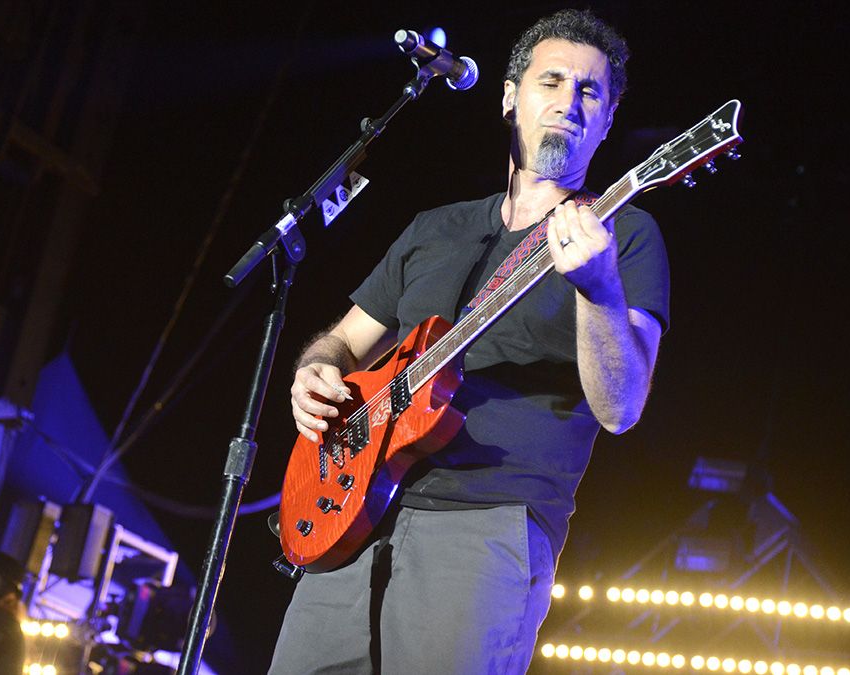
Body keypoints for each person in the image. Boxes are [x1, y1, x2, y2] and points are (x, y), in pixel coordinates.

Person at [270, 8, 669, 674]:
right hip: (351, 517)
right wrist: (313, 371)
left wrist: (599, 288)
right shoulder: (436, 227)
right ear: (510, 97)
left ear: (607, 118)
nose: (568, 102)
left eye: (589, 91)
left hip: (486, 527)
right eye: (551, 81)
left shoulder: (625, 234)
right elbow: (343, 342)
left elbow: (621, 405)